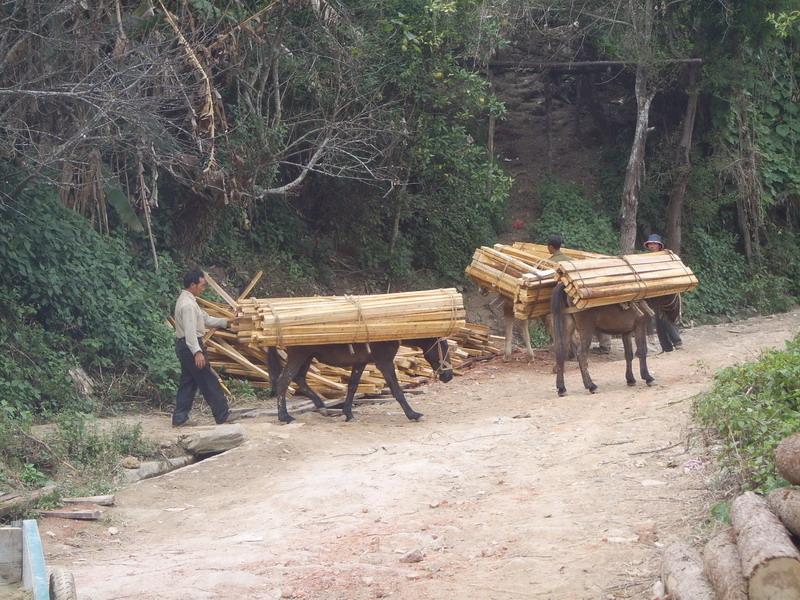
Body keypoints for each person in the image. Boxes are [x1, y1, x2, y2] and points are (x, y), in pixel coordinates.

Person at [172, 269, 235, 427]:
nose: (203, 288)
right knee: (209, 381)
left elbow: (205, 319)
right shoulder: (187, 305)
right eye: (202, 285)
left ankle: (179, 419)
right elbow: (190, 331)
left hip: (185, 346)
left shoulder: (189, 301)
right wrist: (197, 352)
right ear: (192, 285)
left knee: (188, 382)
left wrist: (227, 322)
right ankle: (223, 415)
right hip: (191, 345)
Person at [547, 234, 612, 354]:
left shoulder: (549, 263)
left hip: (563, 297)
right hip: (579, 293)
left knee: (554, 319)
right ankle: (605, 345)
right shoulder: (571, 260)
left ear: (550, 247)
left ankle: (567, 348)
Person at [643, 234, 683, 352]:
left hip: (668, 292)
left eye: (654, 243)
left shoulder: (666, 256)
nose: (652, 246)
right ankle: (666, 347)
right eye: (650, 244)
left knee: (665, 317)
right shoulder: (644, 259)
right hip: (654, 292)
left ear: (659, 245)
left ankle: (677, 342)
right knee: (658, 319)